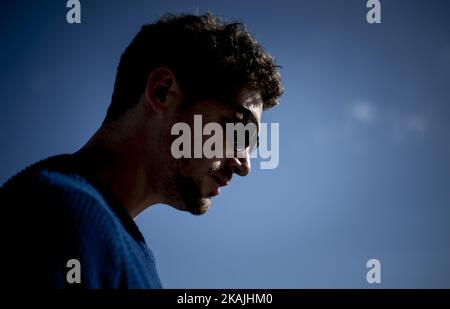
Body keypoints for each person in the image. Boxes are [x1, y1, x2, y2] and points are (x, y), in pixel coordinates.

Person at [0, 13, 283, 288]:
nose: (245, 165)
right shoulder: (59, 214)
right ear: (162, 92)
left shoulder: (119, 247)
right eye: (239, 130)